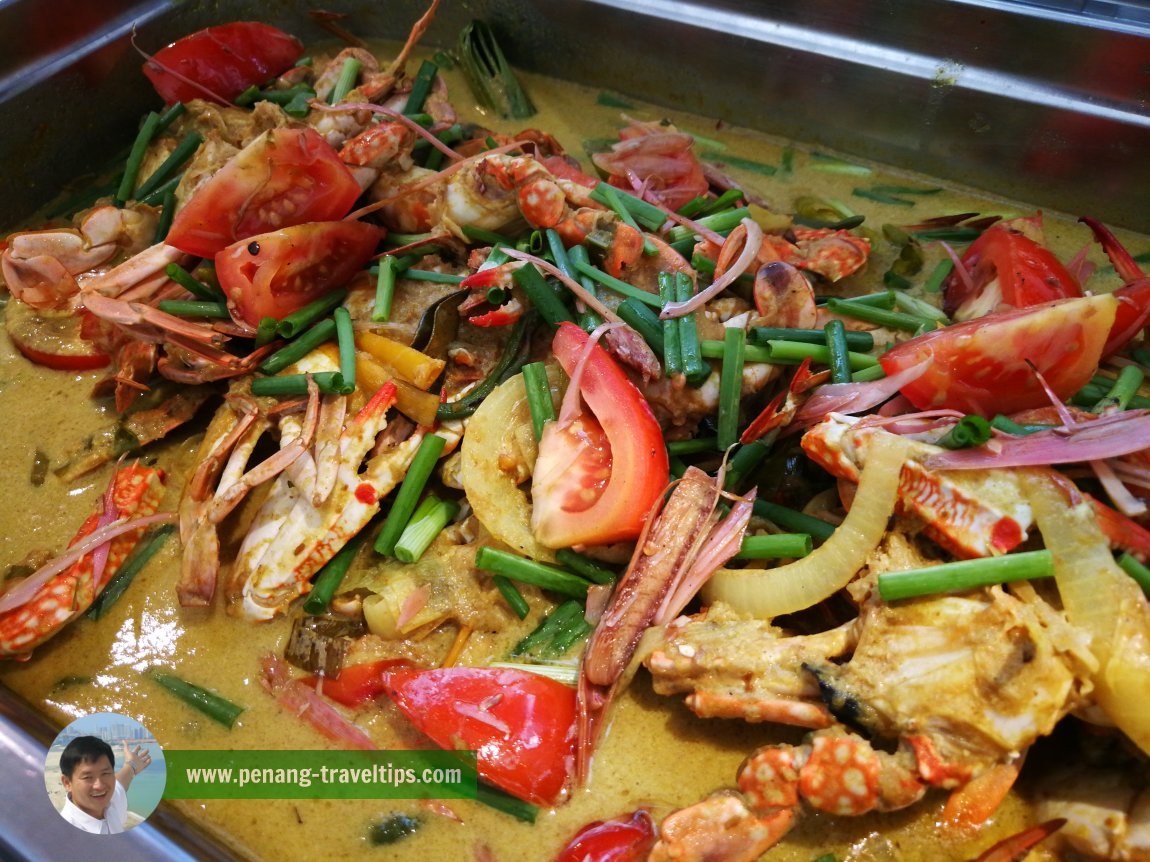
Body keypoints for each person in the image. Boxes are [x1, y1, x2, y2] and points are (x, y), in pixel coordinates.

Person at [58, 736, 152, 834]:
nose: (99, 786)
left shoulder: (110, 804)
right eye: (87, 777)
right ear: (67, 783)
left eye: (105, 774)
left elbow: (120, 783)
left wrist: (132, 765)